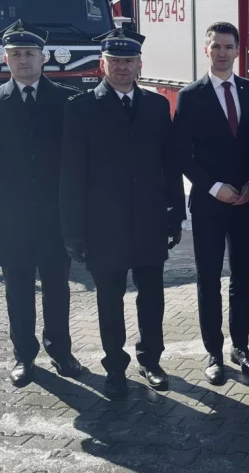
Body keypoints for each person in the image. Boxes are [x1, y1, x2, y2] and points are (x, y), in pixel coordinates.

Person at [59, 27, 186, 401]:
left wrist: (175, 213)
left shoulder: (156, 106)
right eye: (114, 60)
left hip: (149, 221)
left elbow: (170, 165)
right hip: (104, 226)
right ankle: (115, 367)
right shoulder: (81, 107)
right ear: (103, 64)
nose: (122, 67)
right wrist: (72, 230)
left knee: (152, 297)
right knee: (109, 300)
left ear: (139, 65)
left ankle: (151, 360)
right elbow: (71, 173)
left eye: (128, 60)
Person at [0, 20, 82, 387]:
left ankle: (61, 352)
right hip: (9, 218)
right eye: (15, 54)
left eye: (30, 53)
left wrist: (79, 215)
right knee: (17, 291)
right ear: (5, 59)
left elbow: (77, 163)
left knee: (57, 289)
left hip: (54, 217)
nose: (23, 60)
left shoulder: (67, 100)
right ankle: (24, 356)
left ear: (43, 58)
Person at [173, 22, 249, 386]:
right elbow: (181, 154)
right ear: (206, 50)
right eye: (216, 46)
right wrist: (213, 187)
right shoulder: (190, 96)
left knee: (243, 277)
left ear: (238, 51)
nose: (222, 53)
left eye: (229, 47)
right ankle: (213, 351)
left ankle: (241, 347)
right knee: (209, 278)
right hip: (209, 202)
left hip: (245, 201)